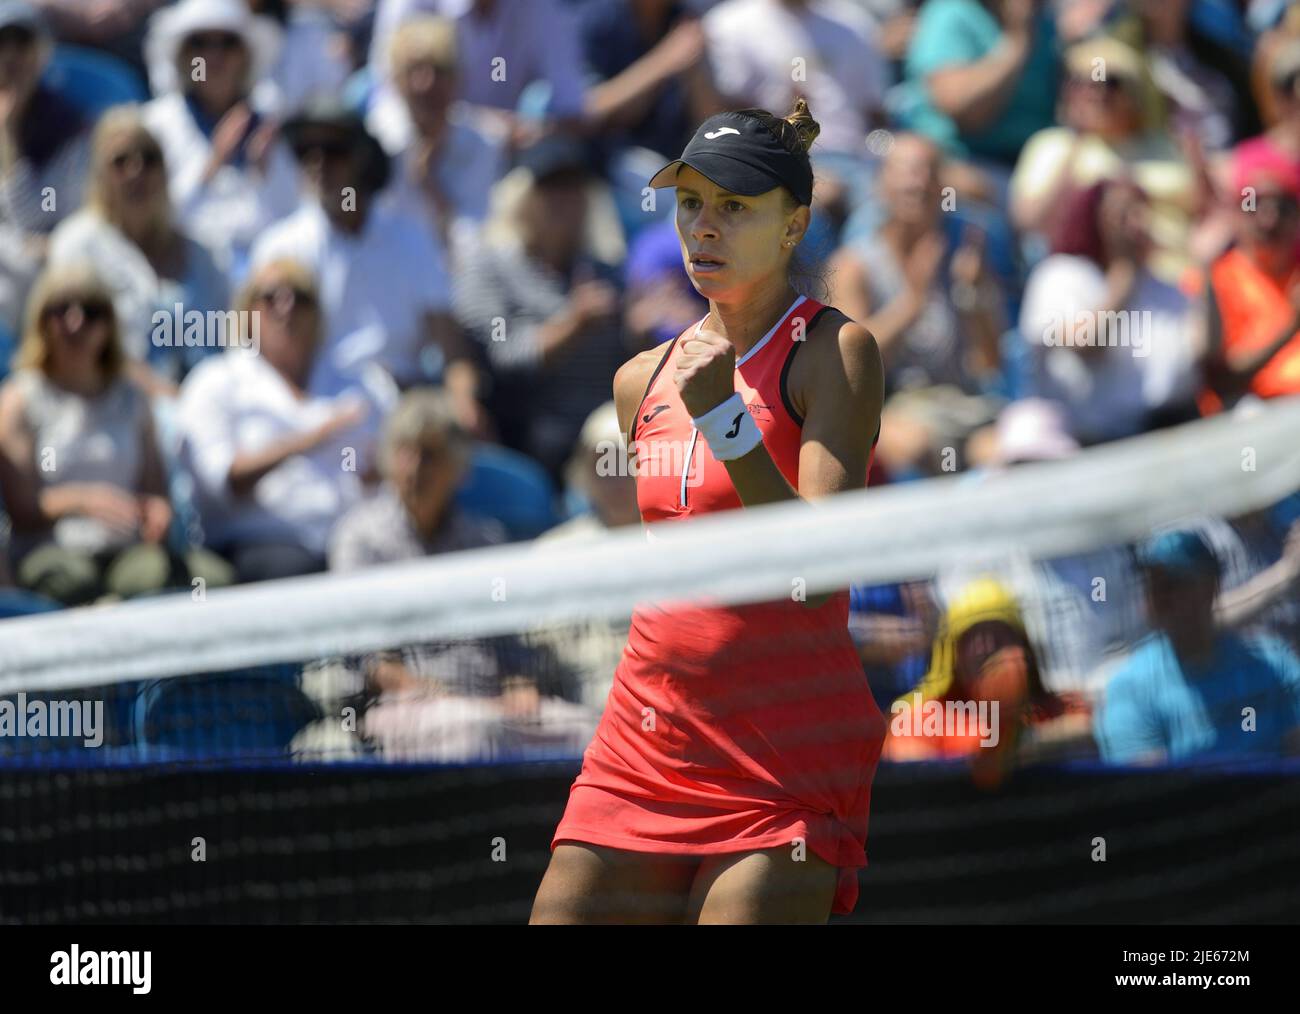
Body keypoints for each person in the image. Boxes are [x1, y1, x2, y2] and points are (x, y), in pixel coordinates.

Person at [532, 99, 888, 925]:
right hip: (646, 737)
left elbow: (813, 569)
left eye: (734, 207)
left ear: (793, 227)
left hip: (785, 747)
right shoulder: (639, 380)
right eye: (691, 203)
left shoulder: (835, 353)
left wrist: (724, 416)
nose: (704, 227)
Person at [250, 98, 486, 438]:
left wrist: (464, 405)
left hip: (405, 412)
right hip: (314, 410)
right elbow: (260, 355)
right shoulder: (279, 247)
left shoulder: (412, 239)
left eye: (333, 150)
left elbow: (450, 347)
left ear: (361, 157)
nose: (319, 163)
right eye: (306, 152)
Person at [0, 262, 231, 604]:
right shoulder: (19, 399)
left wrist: (156, 512)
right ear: (41, 321)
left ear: (108, 325)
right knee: (72, 585)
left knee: (208, 579)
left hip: (128, 550)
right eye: (62, 310)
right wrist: (83, 501)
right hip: (54, 551)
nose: (75, 323)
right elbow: (21, 510)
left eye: (90, 312)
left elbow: (155, 491)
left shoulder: (133, 398)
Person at [174, 258, 392, 583]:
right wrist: (310, 439)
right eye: (271, 296)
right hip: (260, 544)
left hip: (356, 537)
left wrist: (382, 472)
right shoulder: (215, 382)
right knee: (300, 572)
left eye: (301, 297)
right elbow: (224, 483)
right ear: (247, 312)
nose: (286, 307)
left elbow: (392, 466)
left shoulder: (365, 384)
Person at [452, 132, 630, 484]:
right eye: (551, 188)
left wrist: (639, 332)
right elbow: (506, 356)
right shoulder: (489, 267)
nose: (565, 201)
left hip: (607, 430)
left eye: (574, 187)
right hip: (531, 438)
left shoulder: (605, 271)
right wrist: (574, 323)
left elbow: (625, 366)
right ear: (523, 198)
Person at [46, 106, 230, 386]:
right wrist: (163, 396)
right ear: (99, 176)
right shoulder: (77, 246)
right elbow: (73, 344)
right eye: (121, 161)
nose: (136, 171)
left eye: (149, 158)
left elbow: (229, 340)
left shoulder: (203, 253)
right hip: (116, 406)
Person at [1017, 178, 1200, 445]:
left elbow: (1197, 359)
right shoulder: (1060, 276)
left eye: (1140, 212)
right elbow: (1084, 344)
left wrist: (1205, 269)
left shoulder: (1163, 287)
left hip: (1160, 433)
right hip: (1083, 443)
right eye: (1122, 213)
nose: (1135, 224)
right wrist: (1123, 276)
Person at [1095, 529, 1300, 764]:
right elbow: (1145, 788)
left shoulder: (1275, 662)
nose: (1160, 596)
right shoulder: (1130, 688)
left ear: (1211, 587)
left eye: (1174, 583)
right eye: (1152, 584)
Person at [884, 577, 1094, 785]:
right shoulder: (916, 717)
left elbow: (1090, 729)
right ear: (952, 654)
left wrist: (1020, 739)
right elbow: (914, 773)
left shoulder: (1056, 708)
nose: (988, 646)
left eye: (1000, 633)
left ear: (1023, 644)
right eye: (974, 636)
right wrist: (997, 748)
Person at [140, 0, 300, 272]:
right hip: (184, 276)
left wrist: (264, 175)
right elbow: (148, 222)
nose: (214, 57)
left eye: (227, 43)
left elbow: (292, 222)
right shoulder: (156, 125)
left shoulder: (270, 126)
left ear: (245, 56)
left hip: (264, 277)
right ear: (183, 56)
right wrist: (211, 164)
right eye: (200, 43)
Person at [366, 14, 507, 265]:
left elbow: (478, 251)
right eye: (414, 71)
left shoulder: (484, 142)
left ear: (457, 78)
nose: (427, 83)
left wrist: (431, 188)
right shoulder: (375, 143)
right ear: (396, 81)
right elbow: (371, 236)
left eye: (439, 70)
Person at [329, 386, 506, 571]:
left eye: (429, 454)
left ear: (455, 466)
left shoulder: (482, 543)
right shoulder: (361, 539)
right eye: (406, 453)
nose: (415, 469)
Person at [0, 2, 91, 337]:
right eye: (1, 44)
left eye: (21, 43)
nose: (10, 57)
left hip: (46, 271)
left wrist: (7, 136)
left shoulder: (69, 129)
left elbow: (35, 218)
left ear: (40, 52)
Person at [1199, 159, 1300, 412]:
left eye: (1282, 208)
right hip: (1256, 417)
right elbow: (1224, 379)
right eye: (1254, 207)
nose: (1270, 219)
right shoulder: (1216, 279)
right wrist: (1293, 326)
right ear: (1236, 215)